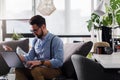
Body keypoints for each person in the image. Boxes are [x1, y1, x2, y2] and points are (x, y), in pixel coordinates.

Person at [4, 15, 64, 80]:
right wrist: (13, 54)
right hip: (38, 68)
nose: (34, 33)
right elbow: (29, 57)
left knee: (36, 70)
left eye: (35, 30)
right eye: (32, 31)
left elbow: (59, 62)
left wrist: (41, 62)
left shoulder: (56, 40)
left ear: (43, 27)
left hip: (53, 69)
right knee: (18, 69)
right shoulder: (35, 40)